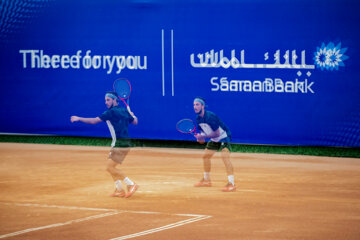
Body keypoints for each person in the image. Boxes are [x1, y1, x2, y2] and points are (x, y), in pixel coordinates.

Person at [70, 91, 139, 198]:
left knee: (110, 168)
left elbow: (94, 121)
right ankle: (119, 190)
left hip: (120, 144)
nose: (106, 102)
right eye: (105, 100)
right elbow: (135, 122)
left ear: (114, 100)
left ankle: (131, 184)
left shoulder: (109, 112)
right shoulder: (124, 111)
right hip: (124, 143)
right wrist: (132, 115)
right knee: (110, 167)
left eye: (108, 100)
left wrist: (79, 118)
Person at [193, 97, 236, 192]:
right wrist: (200, 138)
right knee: (206, 157)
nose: (195, 107)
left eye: (197, 104)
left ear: (202, 106)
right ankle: (206, 180)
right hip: (214, 138)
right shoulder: (198, 119)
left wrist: (203, 137)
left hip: (223, 136)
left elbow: (216, 133)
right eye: (194, 105)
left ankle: (231, 184)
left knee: (225, 156)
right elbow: (202, 140)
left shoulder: (210, 117)